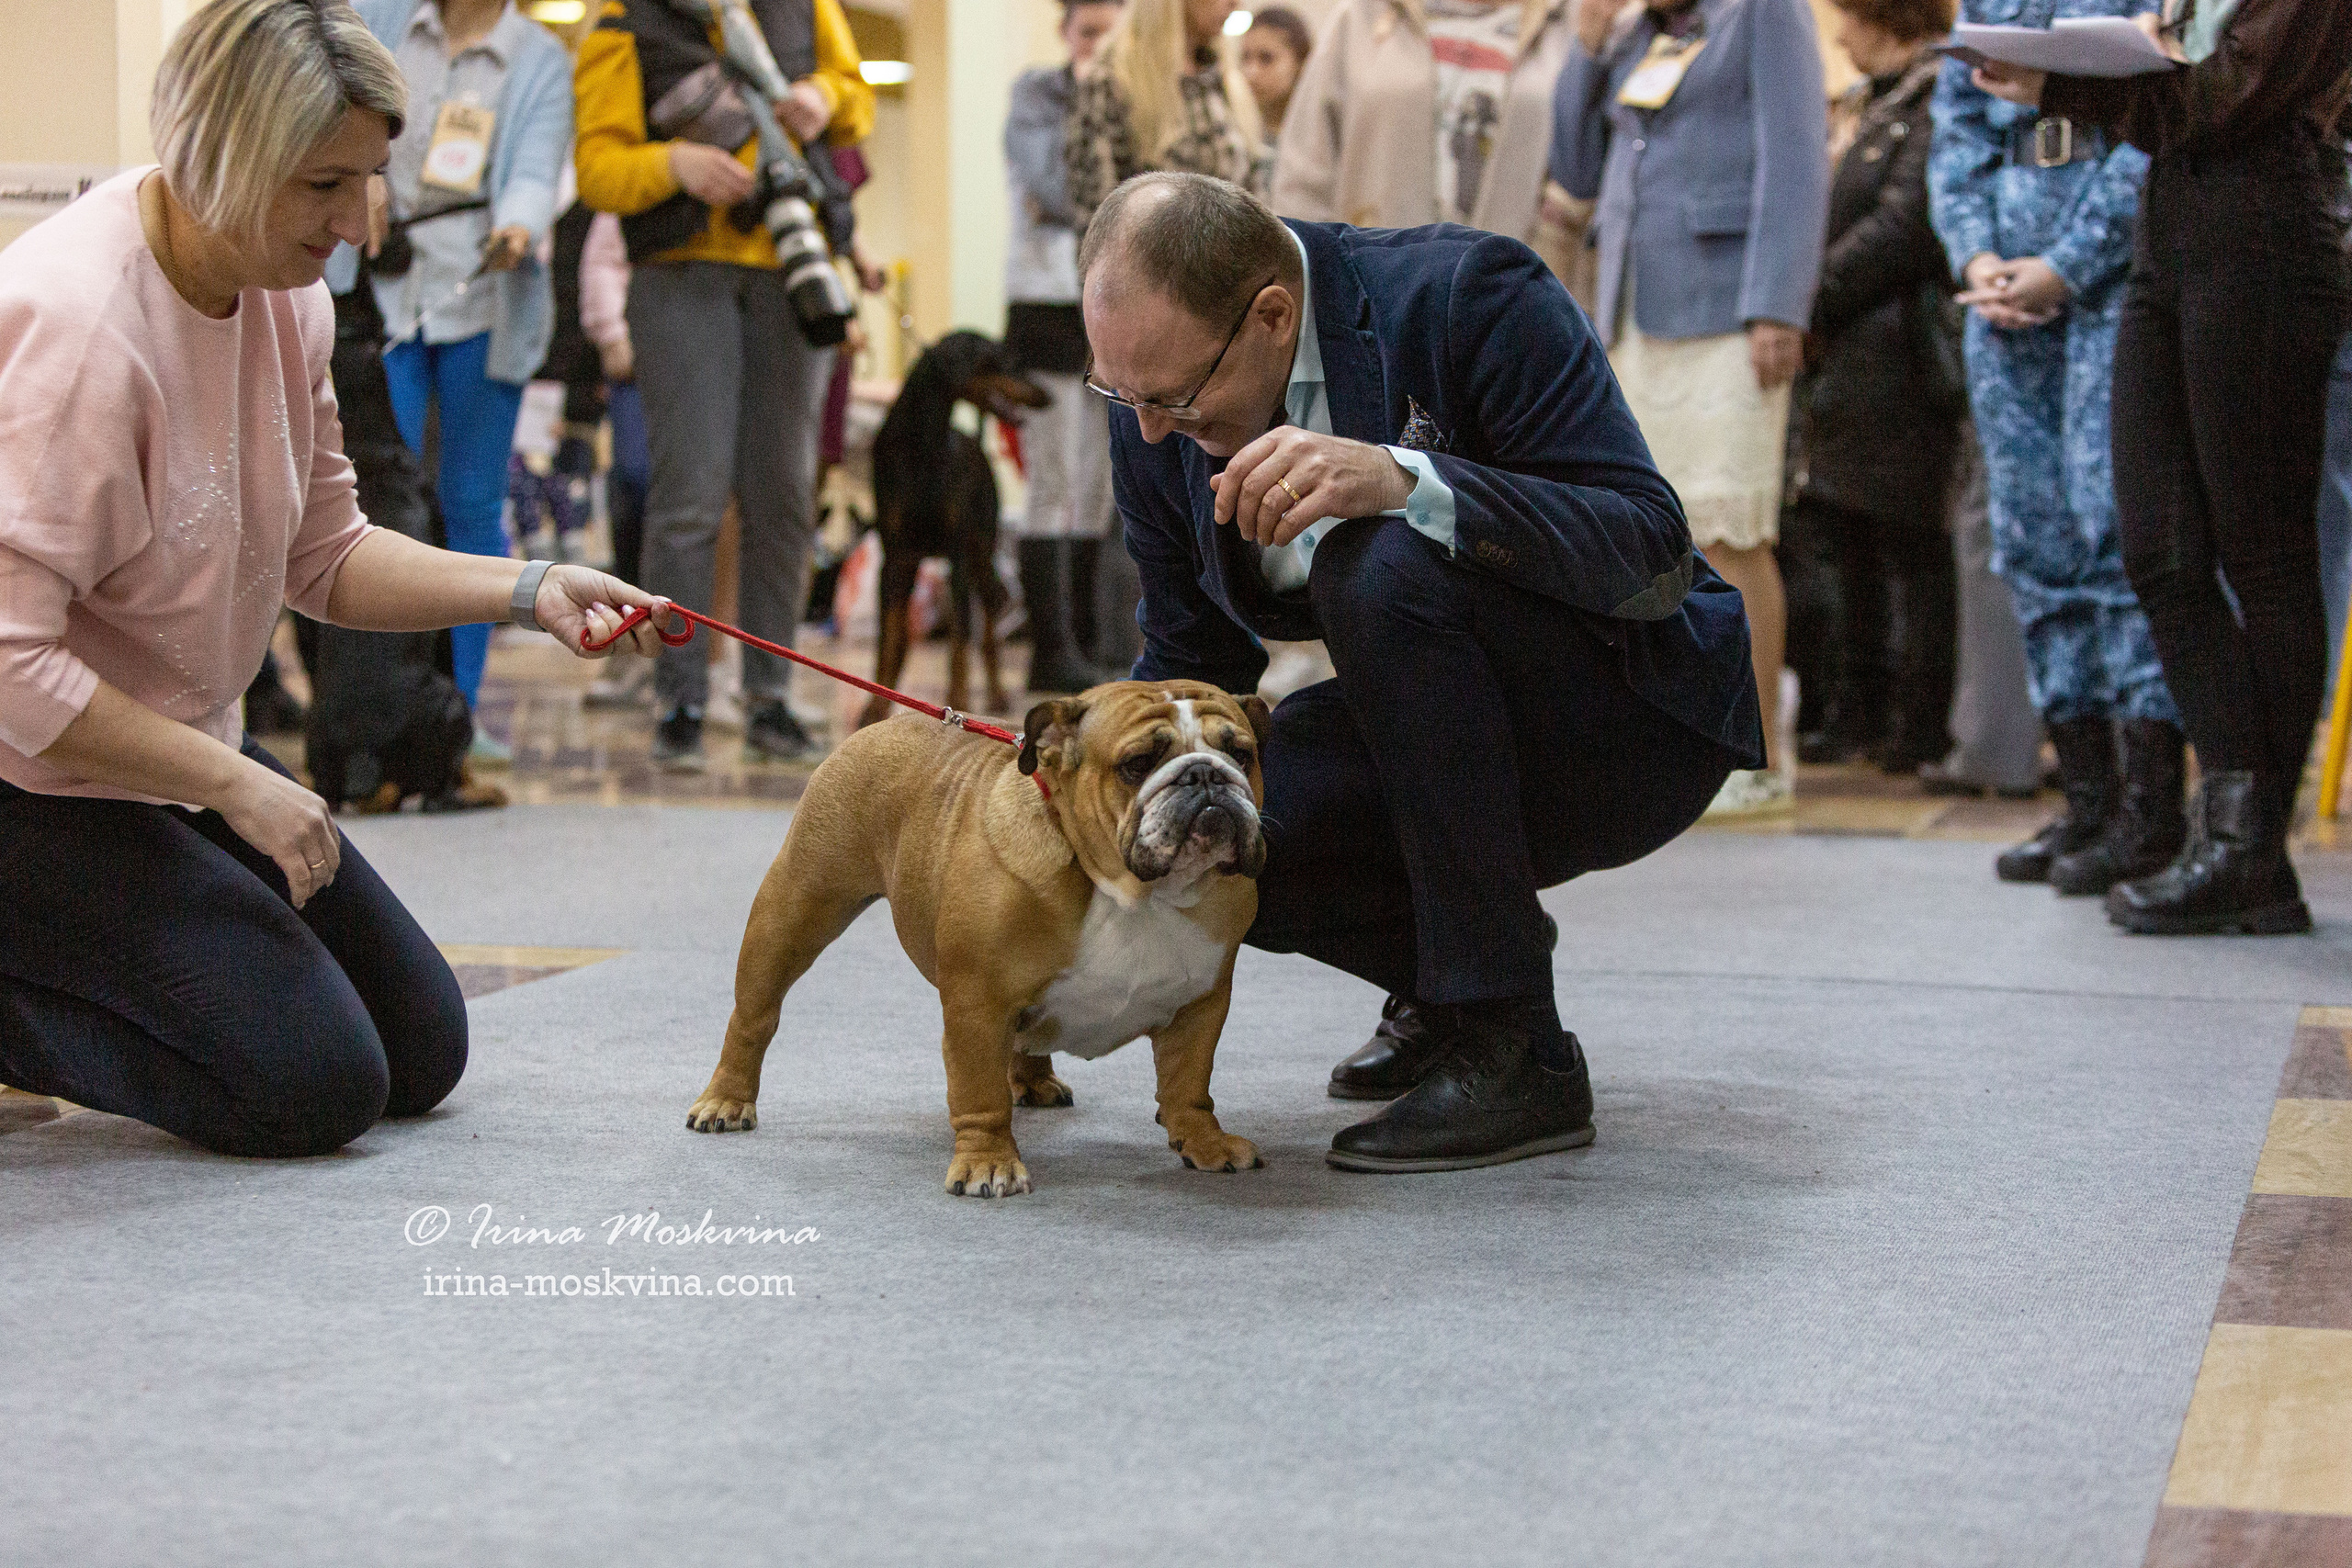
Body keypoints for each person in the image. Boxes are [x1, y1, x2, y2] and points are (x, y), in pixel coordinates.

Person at [0, 0, 668, 1157]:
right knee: (314, 1086)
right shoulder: (75, 329)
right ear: (221, 152)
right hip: (28, 782)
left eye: (371, 180)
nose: (361, 224)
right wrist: (234, 783)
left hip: (164, 755)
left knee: (422, 1048)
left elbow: (328, 553)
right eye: (324, 185)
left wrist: (530, 586)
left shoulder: (289, 296)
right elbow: (10, 665)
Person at [1080, 172, 1760, 1171]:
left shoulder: (1469, 293)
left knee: (1380, 563)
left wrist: (1406, 481)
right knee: (1219, 822)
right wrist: (1072, 784)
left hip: (1632, 712)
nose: (1147, 428)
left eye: (1172, 398)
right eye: (1120, 394)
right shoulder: (1159, 397)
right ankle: (1453, 977)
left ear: (1272, 316)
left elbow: (1646, 547)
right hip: (1435, 720)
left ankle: (1513, 1039)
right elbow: (1192, 662)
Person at [1976, 0, 2352, 932]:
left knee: (2263, 556)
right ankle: (2235, 840)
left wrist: (2065, 85)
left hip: (2265, 226)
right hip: (2171, 220)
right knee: (2157, 550)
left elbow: (2231, 94)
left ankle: (2247, 851)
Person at [573, 0, 874, 771]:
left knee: (785, 496)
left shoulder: (804, 9)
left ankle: (769, 696)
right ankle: (679, 699)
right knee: (690, 498)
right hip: (679, 278)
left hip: (792, 275)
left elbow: (856, 98)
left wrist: (824, 99)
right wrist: (673, 164)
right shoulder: (623, 24)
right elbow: (597, 168)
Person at [1928, 0, 2185, 897]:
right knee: (2033, 541)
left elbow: (2155, 131)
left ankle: (2151, 809)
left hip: (2113, 287)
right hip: (1999, 298)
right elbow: (1956, 135)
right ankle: (2087, 796)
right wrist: (1976, 258)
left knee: (2113, 530)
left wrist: (2067, 264)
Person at [1551, 0, 1830, 817]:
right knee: (1647, 534)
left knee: (1730, 528)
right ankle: (1673, 749)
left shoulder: (1764, 13)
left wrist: (1779, 303)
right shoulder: (1635, 33)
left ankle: (1757, 757)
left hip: (1732, 312)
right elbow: (1575, 170)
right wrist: (1587, 51)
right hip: (1633, 310)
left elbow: (1797, 156)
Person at [324, 0, 574, 768]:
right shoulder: (380, 17)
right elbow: (335, 111)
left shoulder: (538, 57)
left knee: (470, 507)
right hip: (379, 289)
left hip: (485, 297)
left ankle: (455, 714)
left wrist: (521, 223)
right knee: (376, 506)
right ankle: (378, 710)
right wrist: (364, 182)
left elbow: (535, 170)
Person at [1785, 0, 1965, 772]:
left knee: (1908, 545)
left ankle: (1917, 722)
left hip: (1900, 355)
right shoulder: (1872, 103)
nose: (1839, 34)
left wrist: (1807, 297)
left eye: (1849, 17)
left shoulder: (1938, 95)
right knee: (1848, 539)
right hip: (1850, 354)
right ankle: (1858, 710)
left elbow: (1904, 224)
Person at [1005, 0, 1128, 696]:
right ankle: (1049, 649)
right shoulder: (1036, 94)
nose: (1099, 48)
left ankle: (1088, 640)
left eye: (1112, 37)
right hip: (1046, 303)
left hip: (1110, 297)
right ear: (1065, 31)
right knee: (1052, 478)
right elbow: (1055, 187)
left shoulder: (1131, 96)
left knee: (1098, 482)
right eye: (1088, 34)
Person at [1272, 0, 1577, 249]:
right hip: (1375, 287)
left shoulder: (1567, 23)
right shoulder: (1363, 15)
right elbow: (1302, 176)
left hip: (1518, 291)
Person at [1066, 0, 1267, 234]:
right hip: (1152, 254)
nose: (1234, 4)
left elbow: (1254, 197)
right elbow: (1097, 218)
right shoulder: (1113, 82)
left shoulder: (1225, 80)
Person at [1238, 6, 1312, 143]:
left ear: (1300, 63)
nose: (1251, 72)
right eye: (1245, 58)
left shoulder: (1316, 134)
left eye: (1266, 58)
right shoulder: (1235, 132)